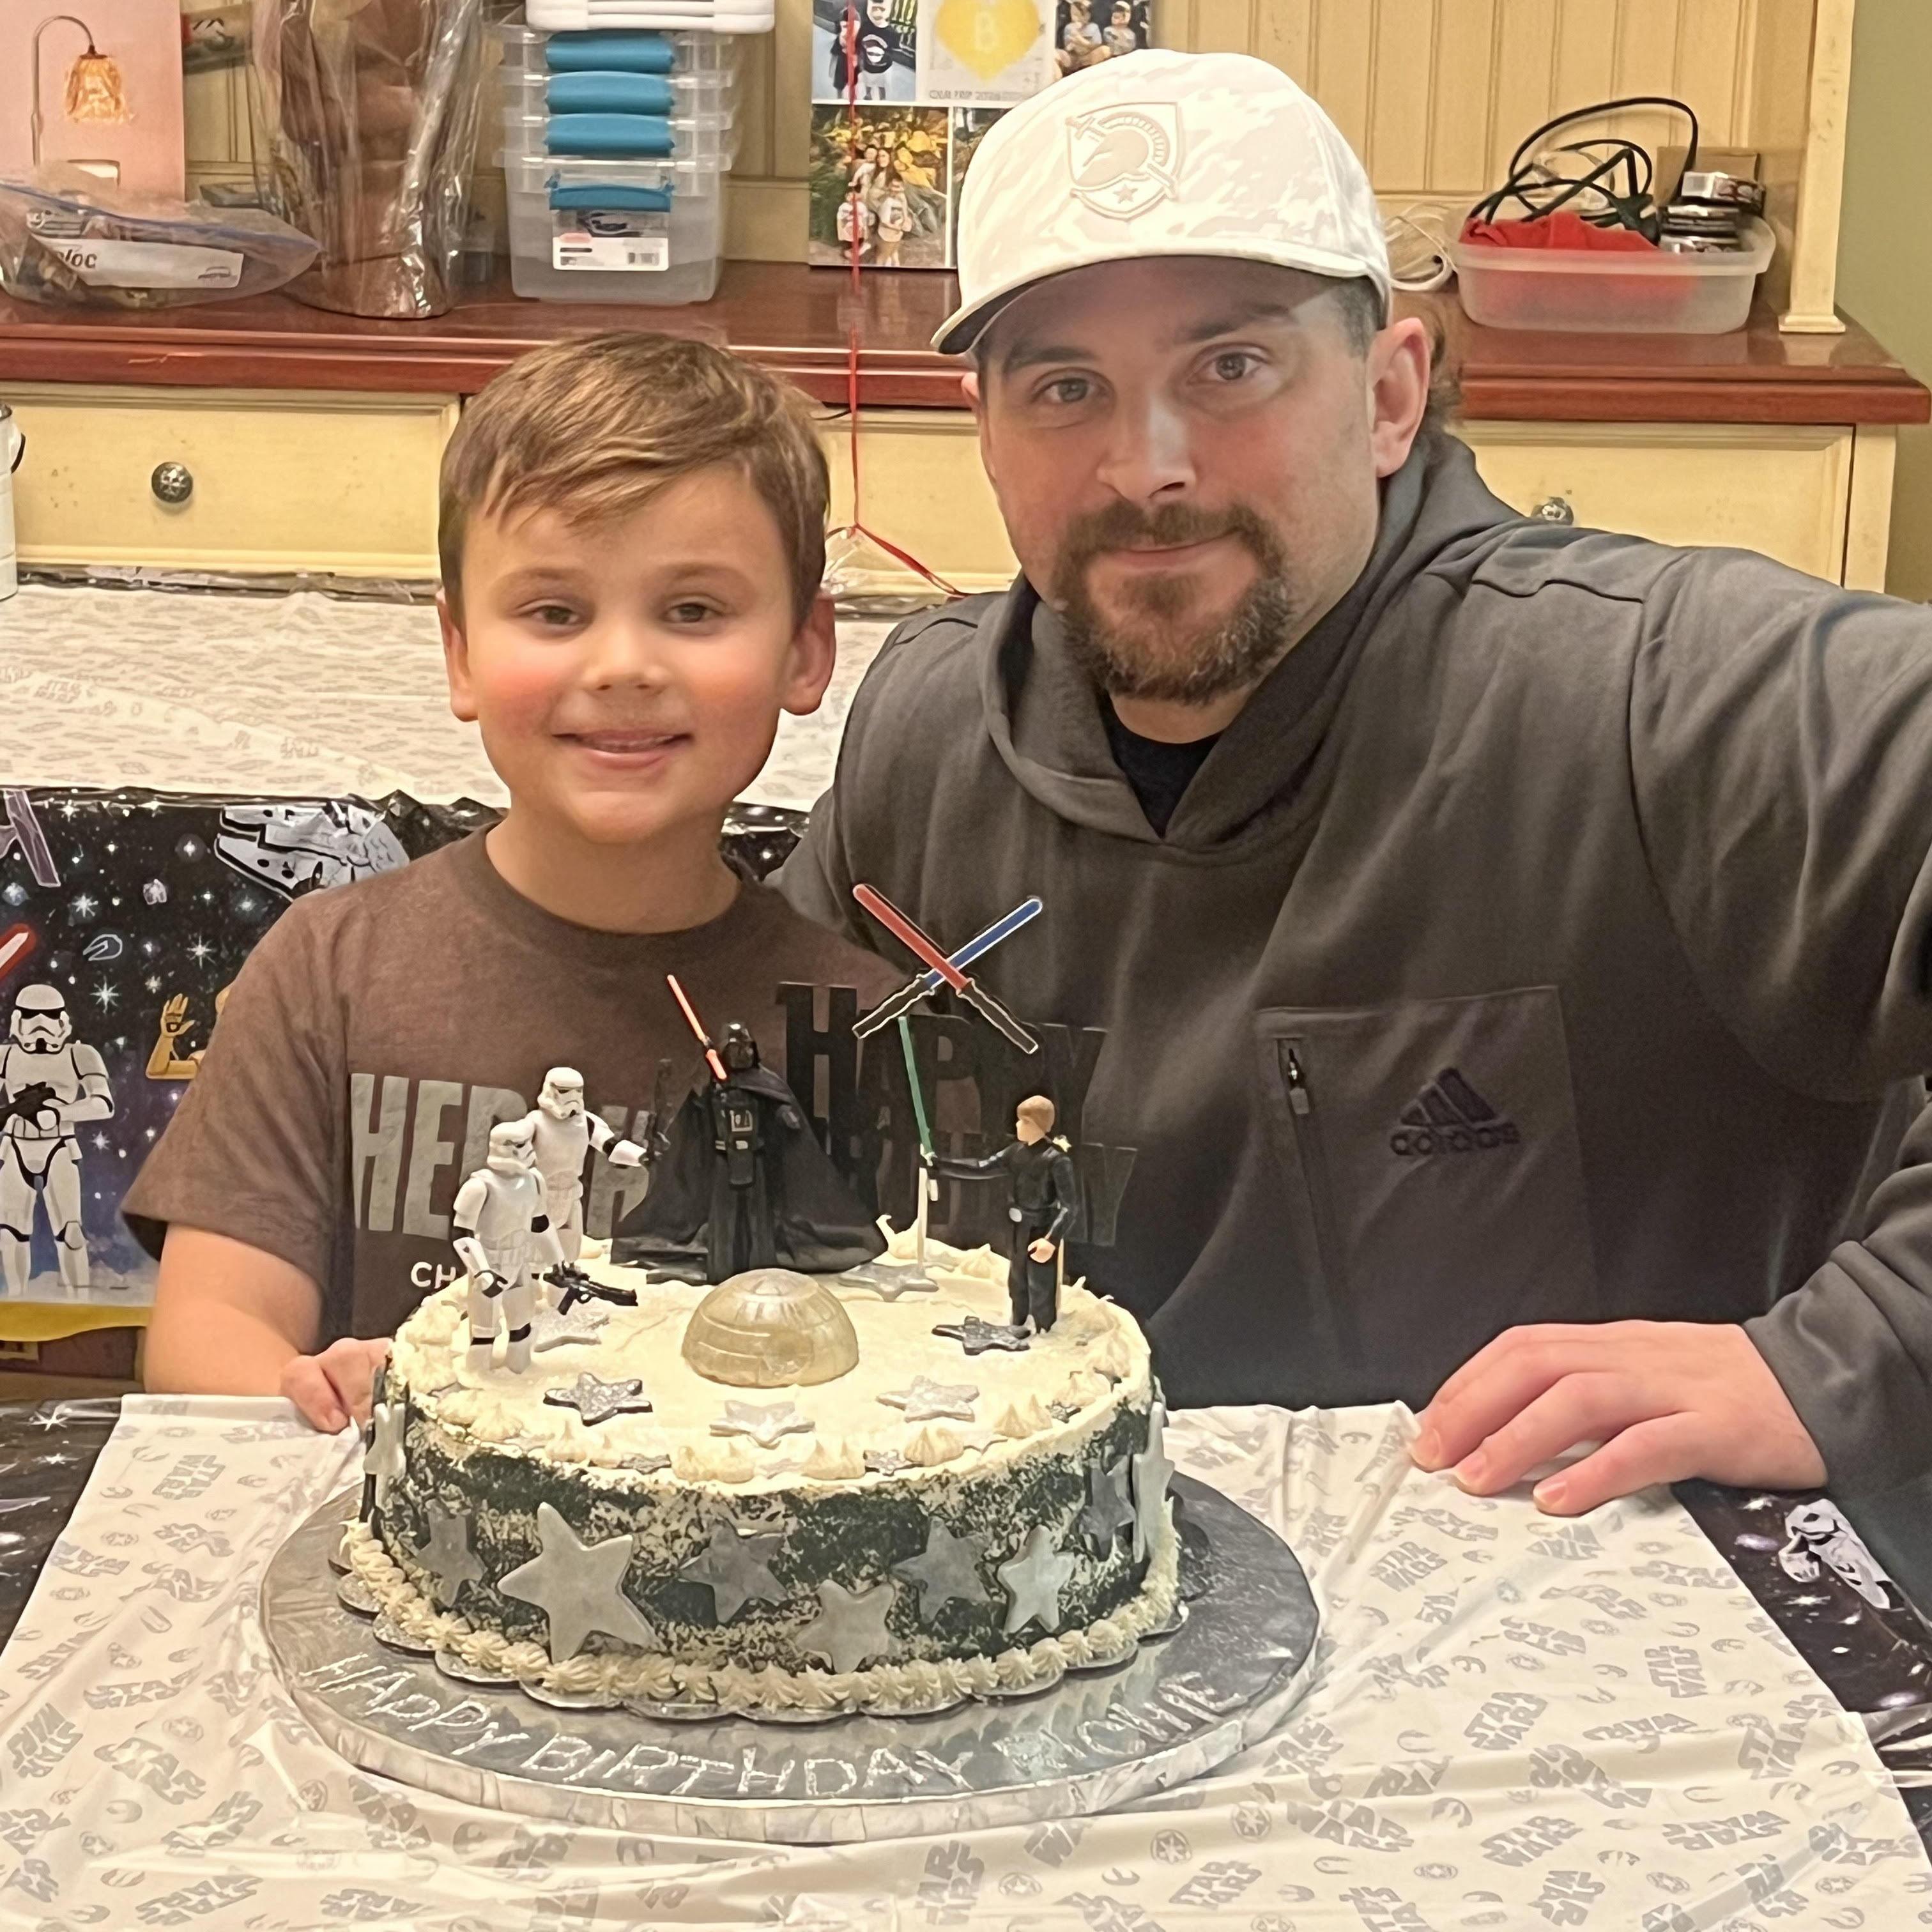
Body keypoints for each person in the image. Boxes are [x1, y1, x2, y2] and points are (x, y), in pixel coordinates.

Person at [776, 49, 1932, 1523]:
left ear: (1391, 396)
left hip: (1585, 1602)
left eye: (1232, 368)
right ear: (986, 435)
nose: (1149, 468)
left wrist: (1860, 1350)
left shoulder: (1648, 695)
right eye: (1067, 388)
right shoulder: (928, 739)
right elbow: (750, 1087)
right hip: (1058, 1607)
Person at [132, 332, 898, 1432]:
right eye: (554, 611)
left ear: (804, 651)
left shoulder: (863, 1027)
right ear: (460, 652)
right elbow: (205, 1330)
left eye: (693, 610)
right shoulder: (329, 970)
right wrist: (308, 1393)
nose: (622, 666)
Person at [930, 1095, 1078, 1331]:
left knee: (1039, 1283)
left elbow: (1070, 1206)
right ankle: (1017, 1324)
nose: (1017, 1125)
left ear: (1039, 1125)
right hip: (1019, 1228)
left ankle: (1042, 1330)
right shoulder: (1016, 1152)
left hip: (1041, 1229)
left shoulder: (1057, 1160)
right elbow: (982, 1168)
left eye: (1025, 1121)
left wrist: (1051, 1240)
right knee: (1017, 1280)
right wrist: (940, 1164)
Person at [871, 168, 913, 266]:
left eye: (898, 187)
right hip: (887, 233)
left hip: (896, 233)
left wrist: (905, 220)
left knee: (894, 254)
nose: (895, 190)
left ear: (902, 187)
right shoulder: (887, 202)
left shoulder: (902, 197)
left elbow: (905, 210)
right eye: (893, 186)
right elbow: (885, 221)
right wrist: (897, 227)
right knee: (884, 255)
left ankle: (895, 266)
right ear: (888, 186)